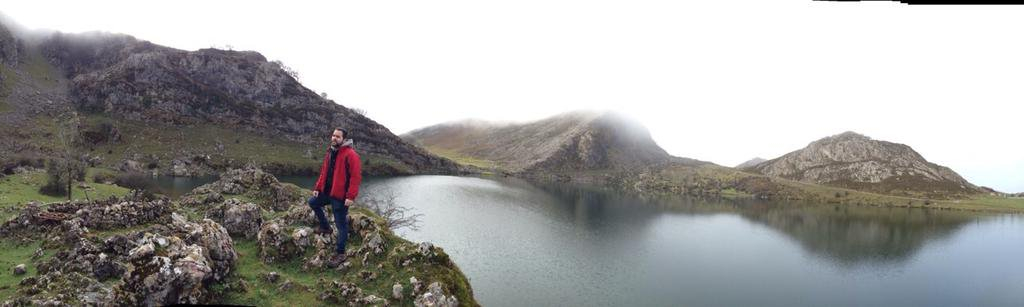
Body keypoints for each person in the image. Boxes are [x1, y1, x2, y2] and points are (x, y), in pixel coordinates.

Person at [308, 127, 362, 267]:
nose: (334, 138)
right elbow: (324, 172)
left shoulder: (351, 154)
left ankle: (341, 253)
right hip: (327, 192)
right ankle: (325, 227)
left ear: (344, 139)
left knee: (341, 225)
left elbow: (355, 178)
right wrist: (317, 188)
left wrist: (350, 196)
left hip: (340, 196)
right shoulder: (330, 152)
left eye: (338, 136)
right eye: (333, 135)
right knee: (313, 202)